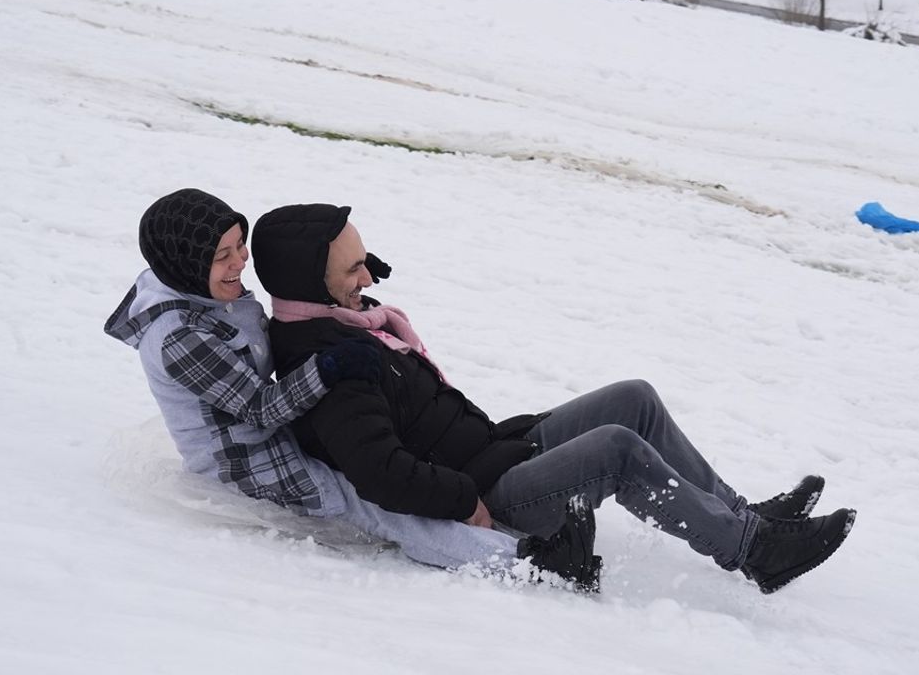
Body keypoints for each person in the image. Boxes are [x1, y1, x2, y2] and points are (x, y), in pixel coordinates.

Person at [250, 203, 857, 594]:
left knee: (633, 398)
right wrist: (465, 502)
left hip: (496, 451)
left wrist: (504, 442)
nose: (369, 278)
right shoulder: (329, 365)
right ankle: (754, 550)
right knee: (617, 449)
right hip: (490, 493)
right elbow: (380, 473)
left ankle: (747, 514)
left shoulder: (354, 324)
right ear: (310, 278)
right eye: (354, 268)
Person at [104, 188, 599, 588]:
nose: (240, 262)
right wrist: (328, 367)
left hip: (272, 434)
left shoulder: (203, 289)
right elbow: (257, 409)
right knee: (376, 504)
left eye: (240, 245)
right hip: (248, 460)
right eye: (223, 256)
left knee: (368, 467)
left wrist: (348, 272)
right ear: (187, 265)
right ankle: (533, 567)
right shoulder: (179, 339)